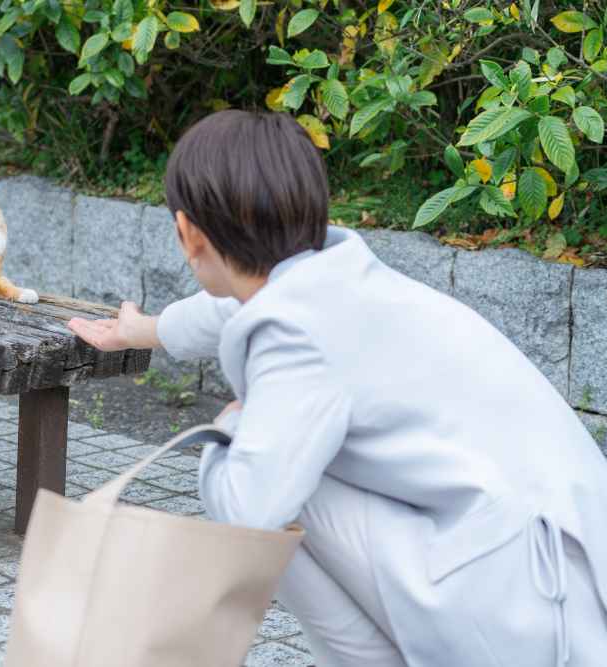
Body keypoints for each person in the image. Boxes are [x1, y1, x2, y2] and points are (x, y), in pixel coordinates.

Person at [66, 110, 607, 667]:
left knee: (264, 477)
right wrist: (145, 332)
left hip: (530, 614)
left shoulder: (294, 331)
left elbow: (251, 510)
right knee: (291, 464)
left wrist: (228, 431)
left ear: (188, 233)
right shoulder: (336, 278)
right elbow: (231, 305)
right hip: (567, 583)